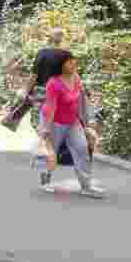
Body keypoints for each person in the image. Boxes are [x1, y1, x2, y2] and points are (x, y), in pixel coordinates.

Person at [39, 50, 106, 198]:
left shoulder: (75, 77)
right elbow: (50, 107)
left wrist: (88, 120)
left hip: (72, 122)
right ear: (61, 65)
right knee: (51, 153)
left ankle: (86, 186)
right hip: (54, 122)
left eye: (73, 60)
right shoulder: (53, 83)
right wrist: (46, 129)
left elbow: (82, 98)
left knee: (82, 150)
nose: (74, 63)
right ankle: (45, 178)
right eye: (69, 61)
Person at [27, 28, 66, 131]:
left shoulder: (42, 53)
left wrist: (26, 91)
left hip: (42, 92)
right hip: (60, 93)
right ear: (62, 39)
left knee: (40, 122)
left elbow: (34, 75)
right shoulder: (66, 55)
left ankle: (43, 136)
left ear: (50, 38)